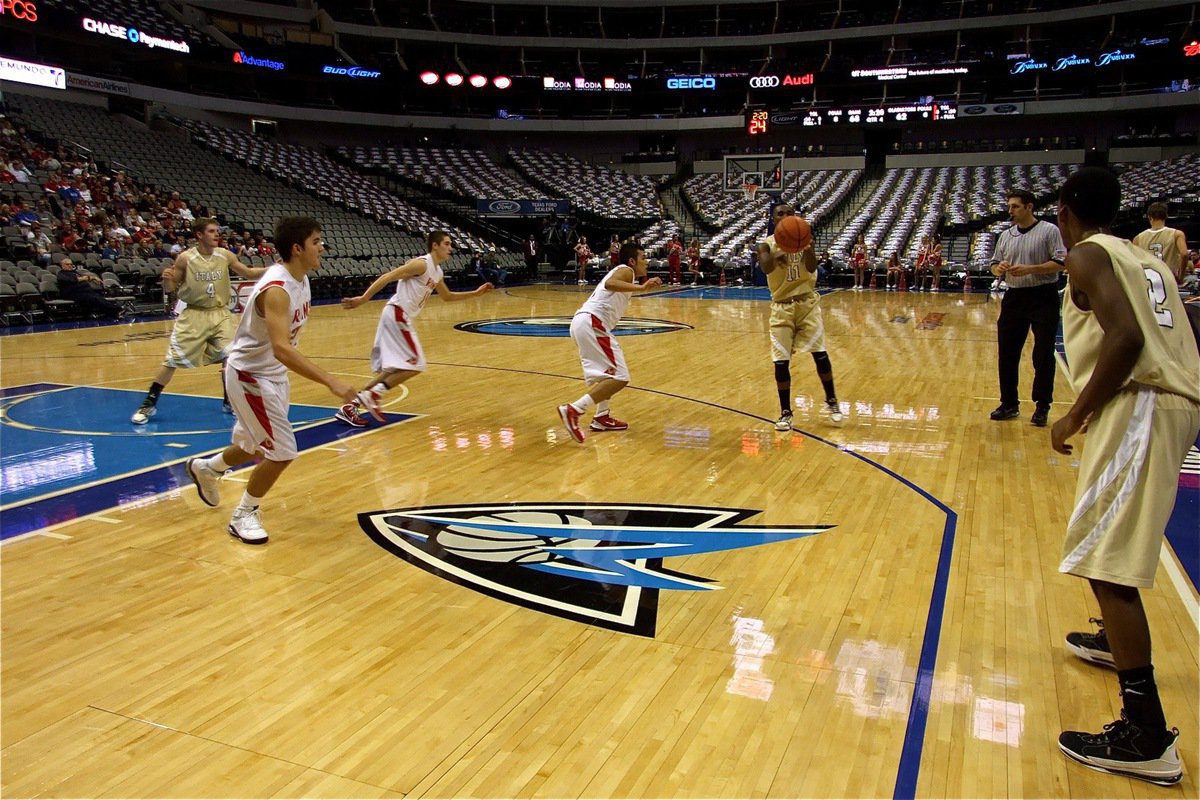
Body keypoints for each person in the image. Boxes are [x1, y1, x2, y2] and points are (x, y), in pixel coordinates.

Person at [1050, 167, 1199, 786]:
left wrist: (1073, 415)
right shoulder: (1143, 255)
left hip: (1139, 404)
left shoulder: (1086, 254)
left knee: (1105, 564)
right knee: (1106, 548)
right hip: (1169, 402)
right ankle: (1118, 642)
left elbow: (1126, 337)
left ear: (1065, 212)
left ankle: (1145, 735)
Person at [185, 217, 357, 544]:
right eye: (317, 241)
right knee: (281, 451)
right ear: (297, 248)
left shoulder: (301, 278)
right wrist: (330, 382)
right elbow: (281, 348)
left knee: (252, 445)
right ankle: (244, 514)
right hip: (251, 375)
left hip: (271, 376)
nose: (323, 247)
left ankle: (208, 468)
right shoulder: (277, 289)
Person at [335, 230, 494, 427]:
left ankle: (352, 406)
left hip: (400, 316)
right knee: (416, 364)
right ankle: (372, 395)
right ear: (434, 246)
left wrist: (475, 294)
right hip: (397, 313)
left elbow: (447, 297)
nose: (450, 248)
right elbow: (388, 276)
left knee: (396, 369)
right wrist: (363, 298)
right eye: (447, 244)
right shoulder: (421, 264)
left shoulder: (437, 271)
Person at [131, 218, 266, 424]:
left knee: (231, 356)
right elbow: (170, 288)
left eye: (217, 231)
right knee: (172, 360)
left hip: (220, 313)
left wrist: (276, 269)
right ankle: (149, 403)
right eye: (211, 231)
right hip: (194, 314)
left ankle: (230, 400)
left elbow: (248, 272)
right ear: (199, 235)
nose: (216, 234)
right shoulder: (186, 258)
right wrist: (167, 280)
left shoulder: (225, 255)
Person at [556, 241, 663, 443]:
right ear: (632, 260)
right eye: (643, 258)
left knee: (607, 375)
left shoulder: (625, 272)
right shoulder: (626, 270)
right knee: (620, 377)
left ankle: (601, 417)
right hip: (592, 322)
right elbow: (609, 284)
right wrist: (641, 287)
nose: (646, 262)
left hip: (584, 322)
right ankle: (574, 409)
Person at [758, 202, 844, 430]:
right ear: (773, 219)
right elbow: (765, 268)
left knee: (820, 353)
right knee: (780, 361)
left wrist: (809, 249)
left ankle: (832, 401)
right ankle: (786, 412)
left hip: (807, 303)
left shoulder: (805, 239)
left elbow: (813, 266)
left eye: (789, 213)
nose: (785, 216)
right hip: (781, 306)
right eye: (780, 214)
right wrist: (778, 258)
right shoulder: (766, 245)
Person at [988, 189, 1066, 426]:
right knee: (1007, 353)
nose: (1010, 210)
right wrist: (998, 269)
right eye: (1009, 206)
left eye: (1015, 206)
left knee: (1042, 354)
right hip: (1014, 297)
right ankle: (1009, 403)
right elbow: (992, 265)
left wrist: (1031, 269)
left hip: (1043, 296)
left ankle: (1042, 405)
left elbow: (1060, 263)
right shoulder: (1006, 235)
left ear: (1029, 207)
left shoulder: (1049, 231)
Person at [1132, 202, 1188, 286]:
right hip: (1168, 280)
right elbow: (1184, 254)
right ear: (1166, 216)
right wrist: (1180, 277)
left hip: (1147, 281)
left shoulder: (1138, 238)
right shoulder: (1177, 234)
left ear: (1149, 217)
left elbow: (1133, 263)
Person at [55, 258, 122, 318]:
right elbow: (74, 280)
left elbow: (83, 278)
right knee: (93, 298)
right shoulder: (61, 274)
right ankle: (116, 309)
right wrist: (88, 278)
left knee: (99, 297)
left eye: (71, 264)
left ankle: (112, 312)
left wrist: (92, 278)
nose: (70, 265)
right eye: (67, 264)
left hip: (84, 291)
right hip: (72, 293)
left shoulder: (74, 272)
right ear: (62, 265)